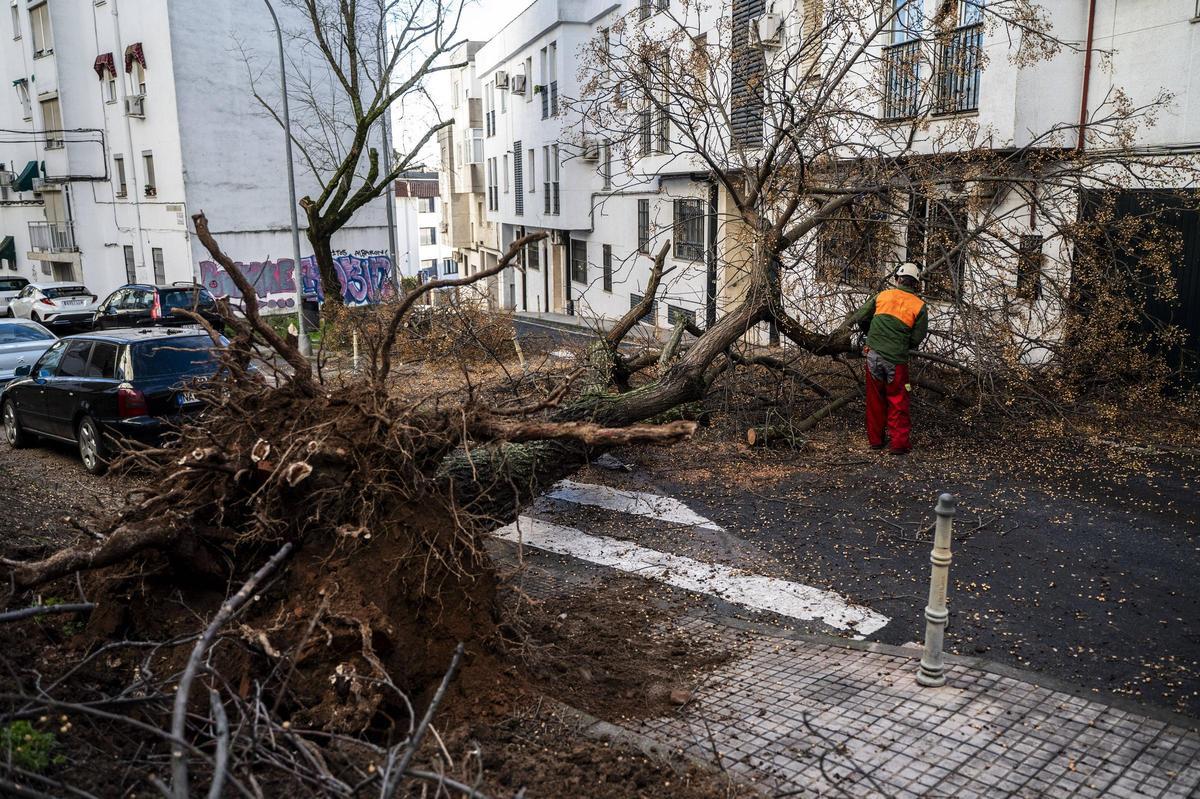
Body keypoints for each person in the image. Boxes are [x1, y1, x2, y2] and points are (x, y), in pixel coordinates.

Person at [847, 262, 928, 454]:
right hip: (896, 360)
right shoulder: (919, 306)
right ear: (915, 283)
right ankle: (898, 445)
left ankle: (875, 441)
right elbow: (917, 337)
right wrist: (900, 345)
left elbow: (861, 317)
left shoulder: (882, 296)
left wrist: (871, 335)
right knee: (898, 400)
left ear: (897, 279)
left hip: (873, 354)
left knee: (875, 399)